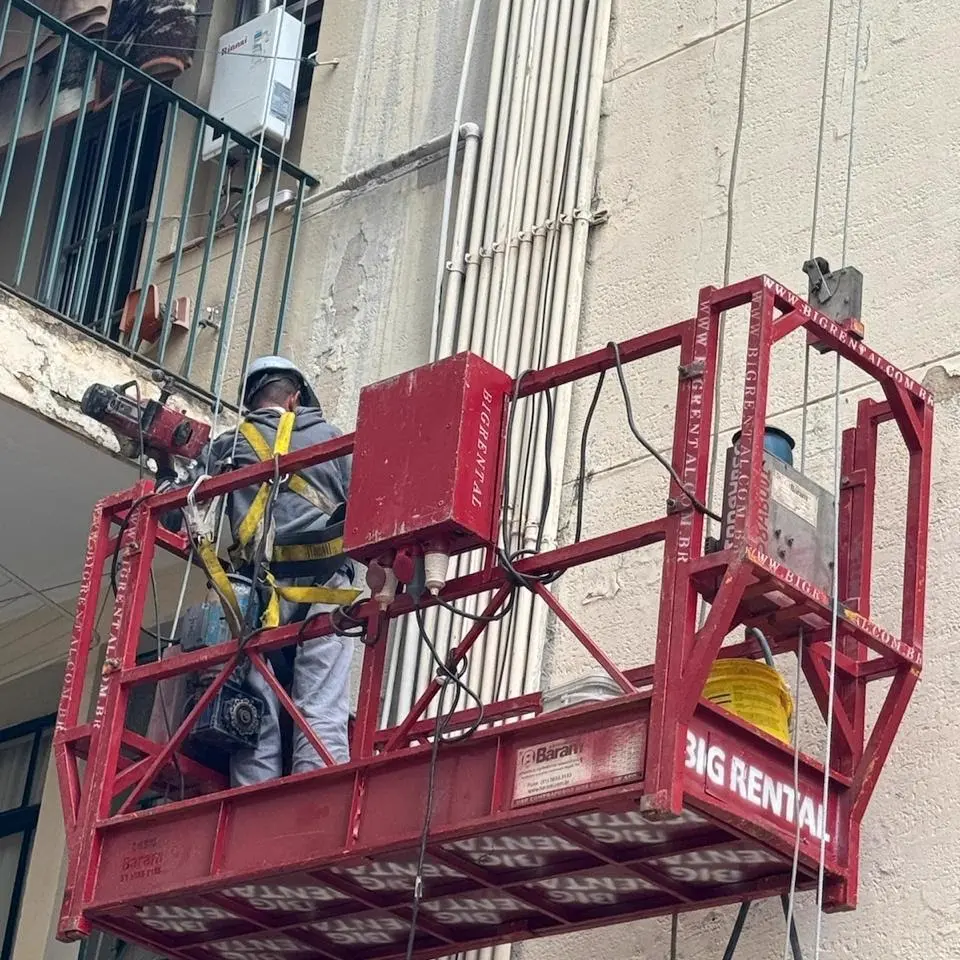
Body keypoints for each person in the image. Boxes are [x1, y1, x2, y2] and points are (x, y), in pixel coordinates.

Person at [155, 356, 356, 787]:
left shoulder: (229, 446)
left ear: (252, 401)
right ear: (296, 398)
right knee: (320, 705)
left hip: (257, 599)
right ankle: (320, 793)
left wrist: (162, 467)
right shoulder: (331, 439)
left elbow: (172, 512)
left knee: (256, 705)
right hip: (326, 590)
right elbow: (369, 509)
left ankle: (253, 798)